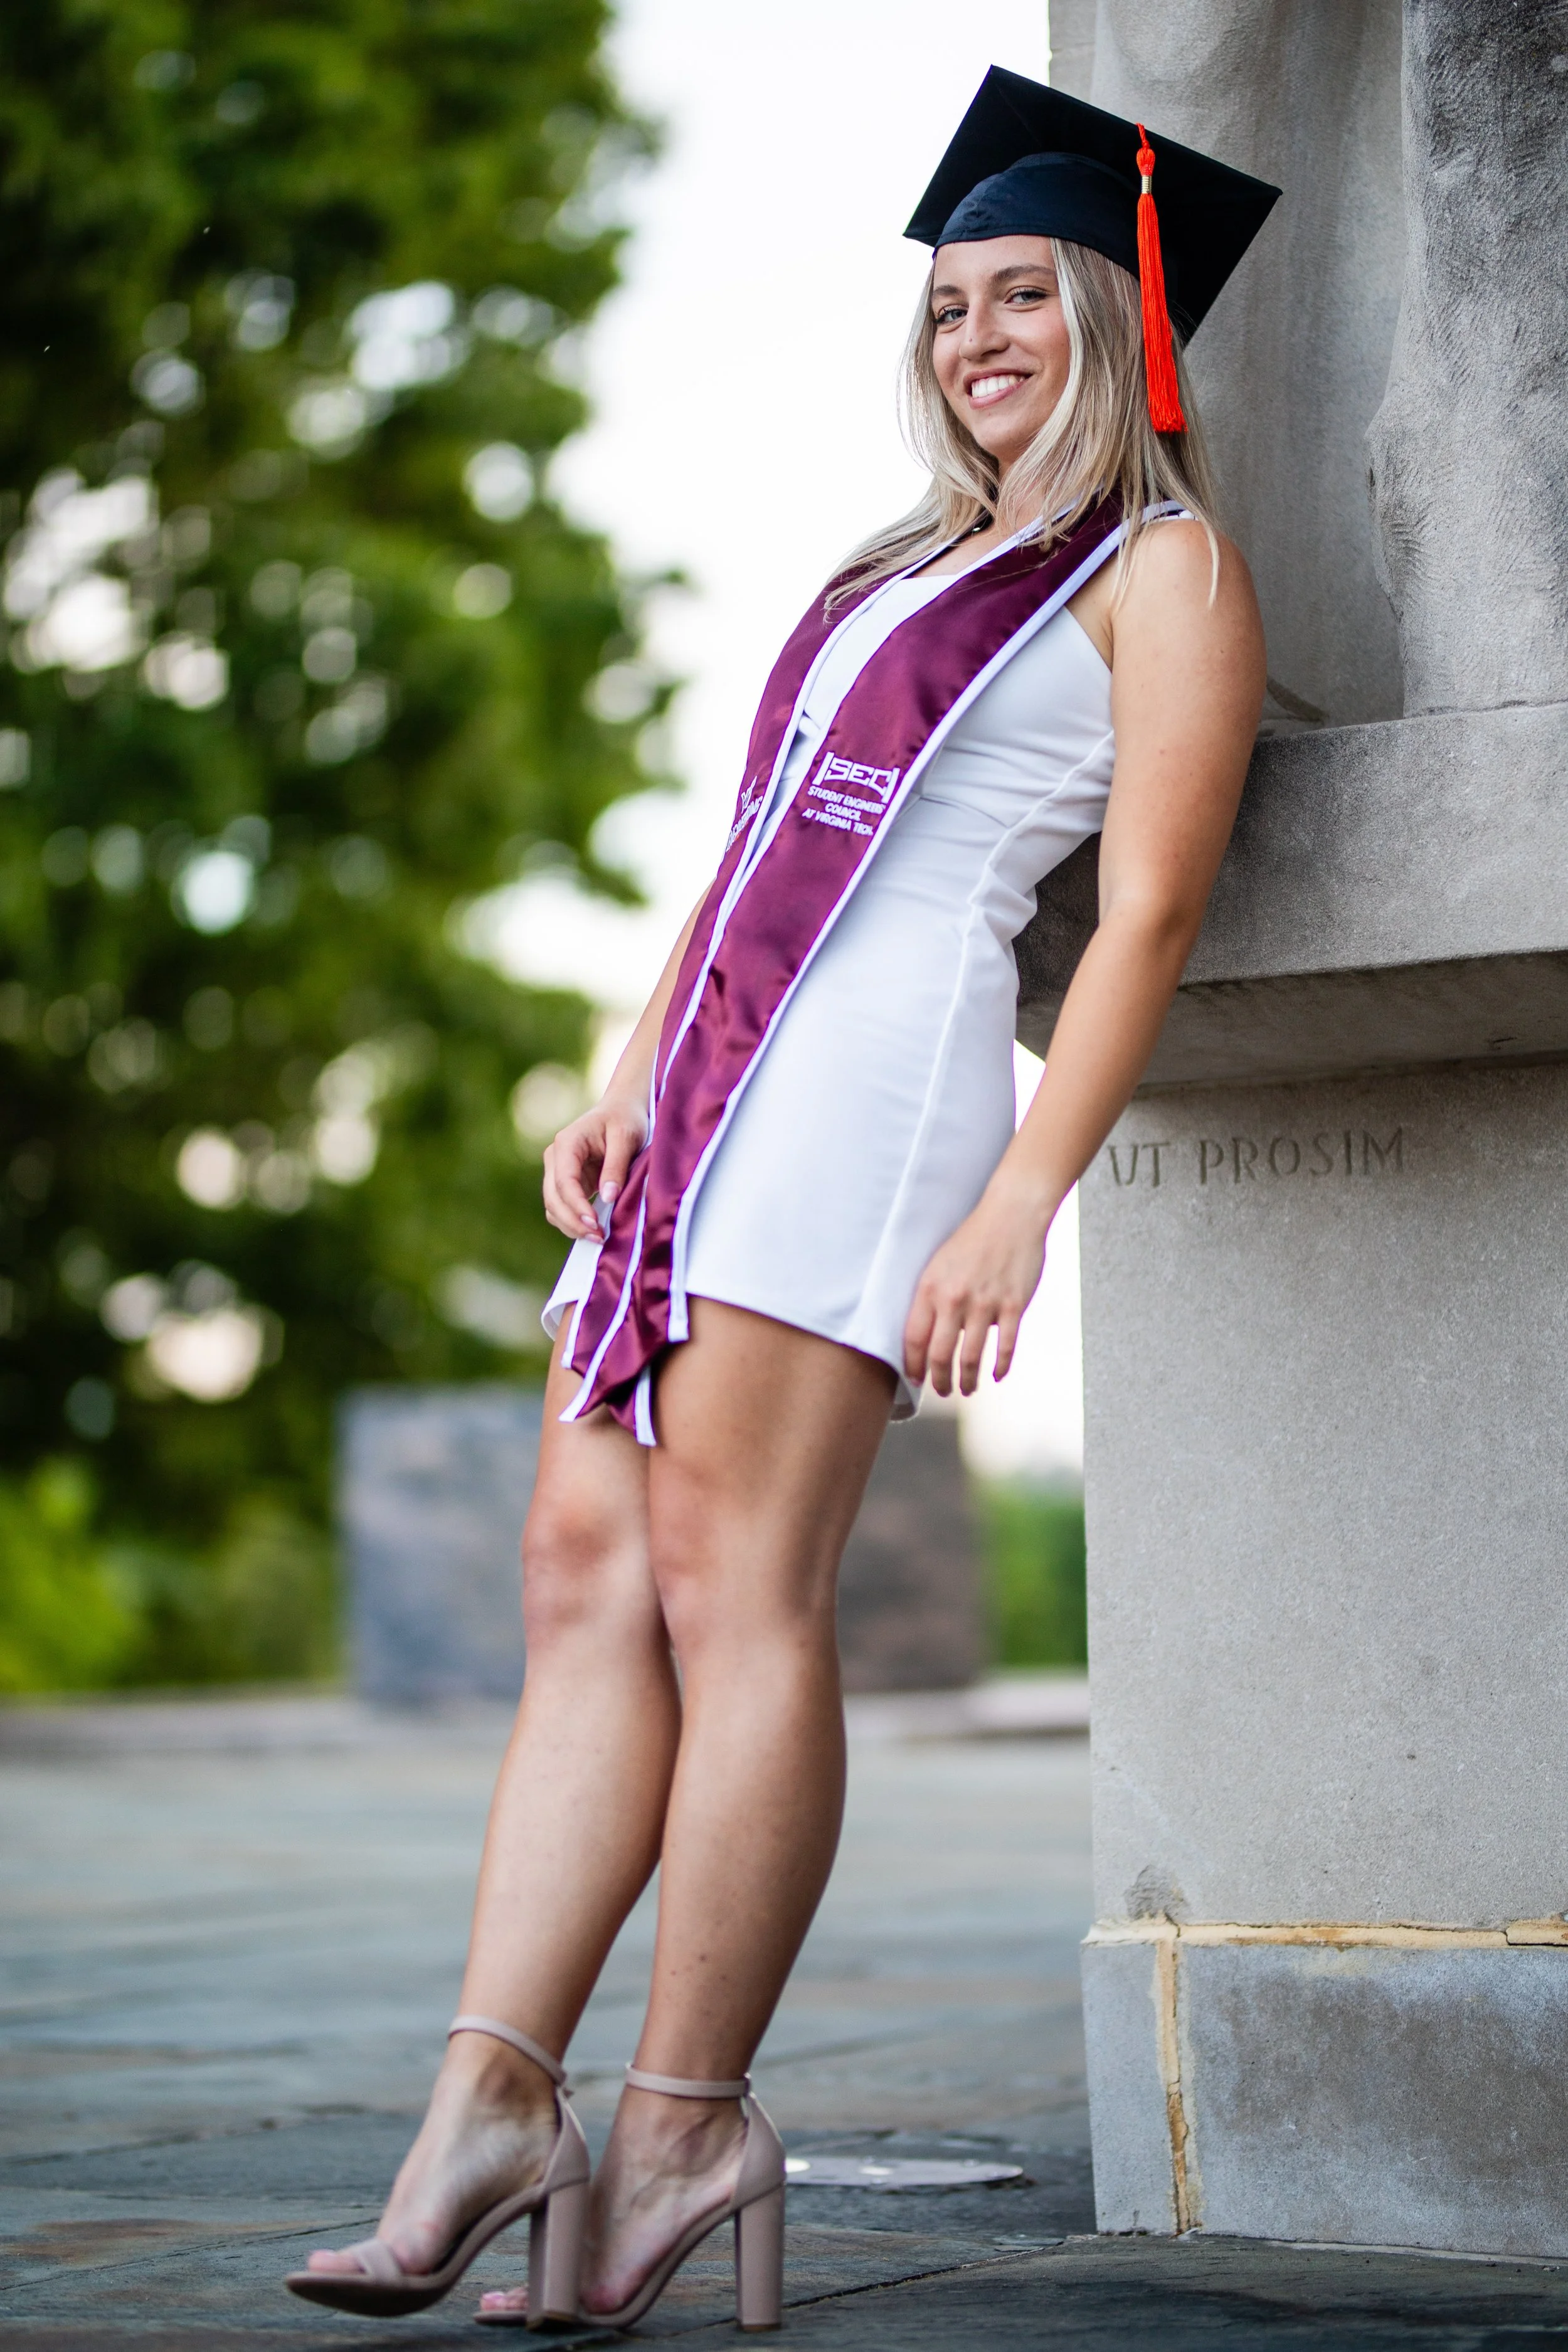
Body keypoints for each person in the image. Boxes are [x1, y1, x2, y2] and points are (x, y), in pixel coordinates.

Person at [287, 65, 1277, 2333]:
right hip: (713, 1103)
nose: (977, 338)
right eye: (947, 307)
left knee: (738, 1587)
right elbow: (749, 851)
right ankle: (492, 2098)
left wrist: (1027, 1197)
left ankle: (684, 2112)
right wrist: (626, 1068)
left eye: (1024, 293)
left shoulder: (1161, 573)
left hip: (867, 1105)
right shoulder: (888, 562)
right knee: (577, 1571)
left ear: (1122, 323)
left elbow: (1137, 924)